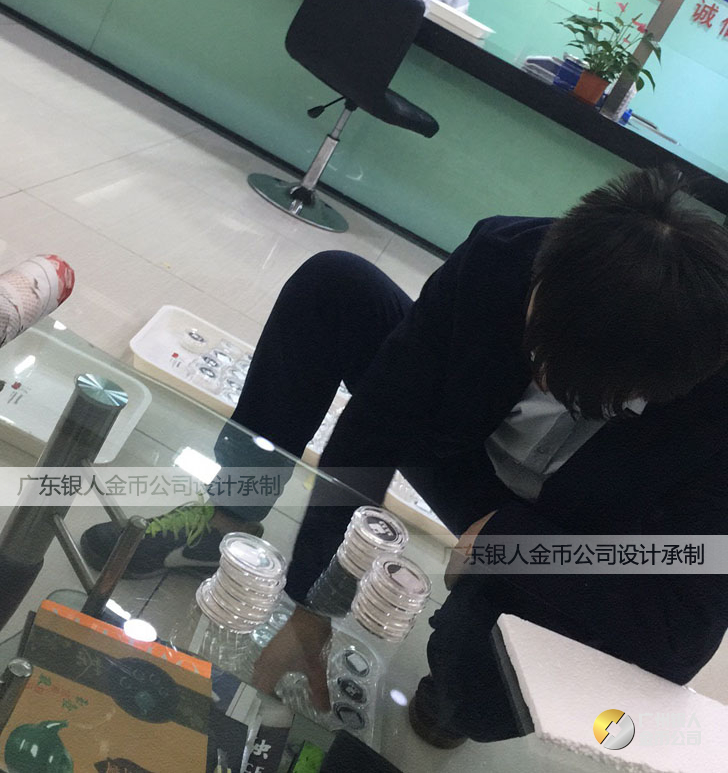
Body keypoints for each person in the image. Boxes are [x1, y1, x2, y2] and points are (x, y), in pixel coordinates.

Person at [81, 168, 728, 748]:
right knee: (334, 286)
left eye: (562, 378)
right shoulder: (511, 254)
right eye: (534, 342)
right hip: (457, 450)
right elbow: (379, 420)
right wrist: (314, 600)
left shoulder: (712, 406)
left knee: (475, 688)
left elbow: (679, 633)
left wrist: (514, 545)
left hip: (565, 524)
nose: (536, 370)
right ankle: (226, 516)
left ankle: (455, 685)